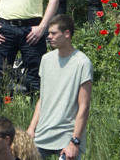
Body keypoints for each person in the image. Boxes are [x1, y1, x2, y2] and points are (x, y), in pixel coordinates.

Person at [28, 14, 92, 159]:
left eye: (53, 33)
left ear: (67, 33)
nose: (49, 36)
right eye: (48, 33)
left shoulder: (82, 62)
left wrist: (75, 141)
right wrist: (31, 128)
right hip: (42, 133)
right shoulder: (46, 59)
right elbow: (42, 98)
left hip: (67, 135)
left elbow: (84, 106)